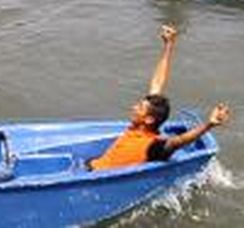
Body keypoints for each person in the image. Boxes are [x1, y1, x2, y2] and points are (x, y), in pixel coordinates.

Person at [89, 25, 230, 171]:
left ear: (149, 119)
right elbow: (157, 83)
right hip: (92, 167)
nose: (134, 107)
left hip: (99, 180)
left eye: (140, 107)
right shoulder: (138, 127)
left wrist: (210, 124)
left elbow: (178, 141)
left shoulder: (153, 146)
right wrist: (169, 45)